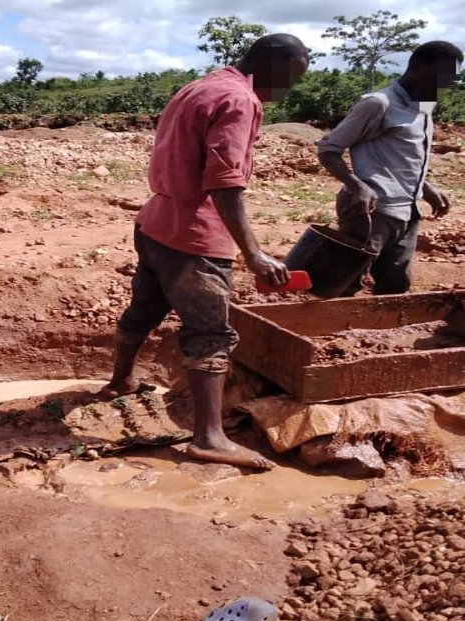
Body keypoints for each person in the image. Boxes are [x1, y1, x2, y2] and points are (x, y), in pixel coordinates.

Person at [101, 34, 310, 470]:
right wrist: (254, 254)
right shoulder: (239, 99)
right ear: (270, 65)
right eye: (289, 79)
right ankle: (209, 438)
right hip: (194, 236)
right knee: (211, 333)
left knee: (145, 307)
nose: (286, 90)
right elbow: (224, 182)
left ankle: (120, 381)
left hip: (157, 221)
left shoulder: (199, 87)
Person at [297, 40, 463, 296]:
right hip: (373, 213)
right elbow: (328, 150)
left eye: (452, 80)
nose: (447, 85)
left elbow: (404, 155)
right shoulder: (378, 104)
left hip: (408, 212)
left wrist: (425, 187)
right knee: (343, 283)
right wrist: (357, 186)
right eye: (442, 77)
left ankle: (373, 335)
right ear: (417, 67)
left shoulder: (425, 106)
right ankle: (325, 332)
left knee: (395, 286)